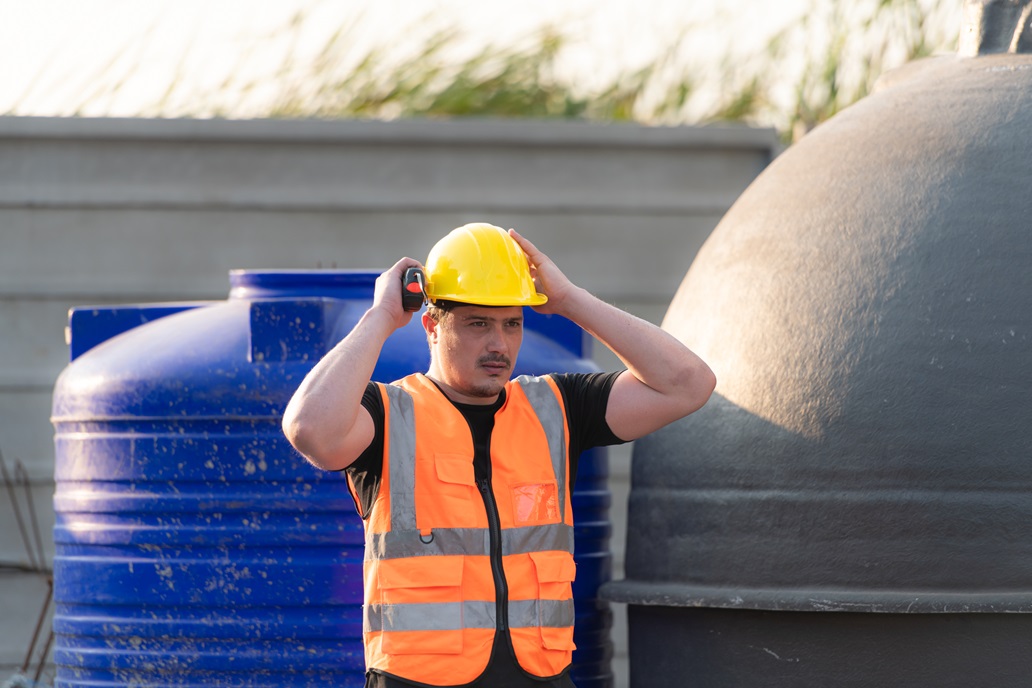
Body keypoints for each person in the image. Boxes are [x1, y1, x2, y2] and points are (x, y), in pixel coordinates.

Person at [281, 222, 716, 688]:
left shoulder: (558, 408)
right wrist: (382, 316)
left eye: (512, 323)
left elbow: (689, 384)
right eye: (478, 323)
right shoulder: (387, 415)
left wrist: (570, 300)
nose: (499, 344)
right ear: (431, 324)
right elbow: (311, 430)